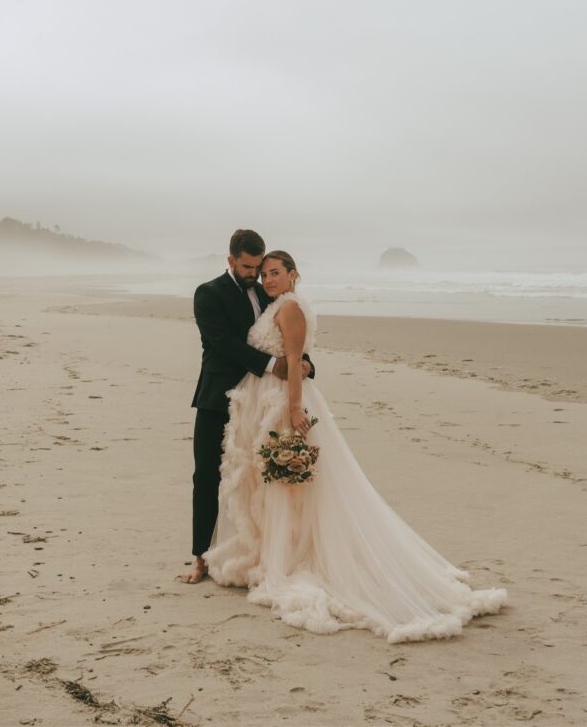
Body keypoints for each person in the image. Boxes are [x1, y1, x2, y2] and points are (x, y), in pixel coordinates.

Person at [203, 250, 509, 642]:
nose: (268, 280)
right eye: (264, 274)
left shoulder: (290, 307)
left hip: (285, 403)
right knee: (281, 484)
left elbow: (296, 360)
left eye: (275, 273)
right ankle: (281, 552)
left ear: (294, 274)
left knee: (291, 481)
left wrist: (294, 409)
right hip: (270, 401)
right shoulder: (278, 304)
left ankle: (290, 559)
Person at [179, 230, 314, 585]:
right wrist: (274, 366)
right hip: (218, 398)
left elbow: (289, 337)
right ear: (231, 261)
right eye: (247, 266)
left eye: (259, 266)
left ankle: (263, 553)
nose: (255, 273)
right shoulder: (207, 294)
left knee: (259, 479)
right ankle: (199, 559)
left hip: (261, 404)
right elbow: (222, 344)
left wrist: (306, 364)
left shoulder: (266, 290)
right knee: (206, 475)